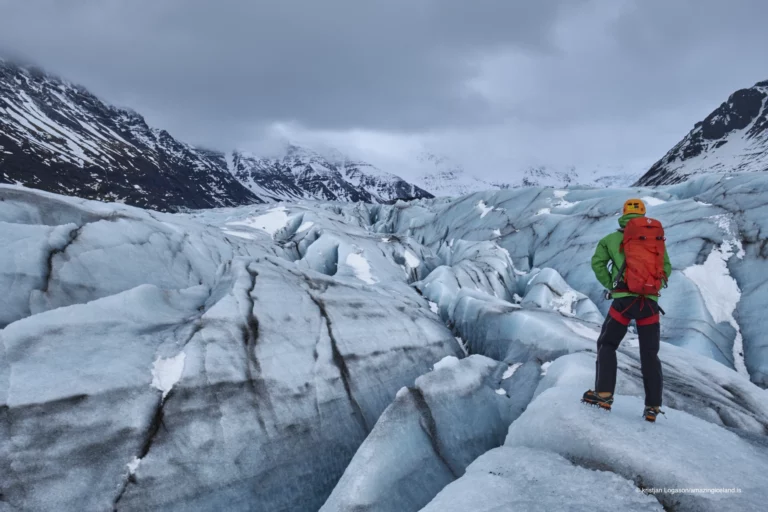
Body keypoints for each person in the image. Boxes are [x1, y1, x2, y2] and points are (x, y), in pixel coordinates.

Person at [582, 198, 672, 422]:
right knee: (650, 354)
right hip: (649, 303)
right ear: (643, 215)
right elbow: (666, 267)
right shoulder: (656, 239)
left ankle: (603, 395)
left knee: (607, 344)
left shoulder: (611, 239)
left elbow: (598, 264)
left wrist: (612, 285)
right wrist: (651, 288)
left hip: (623, 302)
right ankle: (652, 407)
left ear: (623, 215)